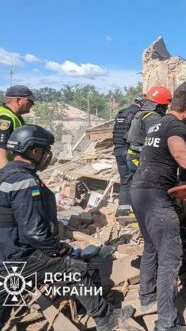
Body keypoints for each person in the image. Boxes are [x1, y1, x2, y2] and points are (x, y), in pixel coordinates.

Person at [0, 125, 134, 330]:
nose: (47, 156)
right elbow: (34, 232)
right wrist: (59, 249)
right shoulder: (25, 181)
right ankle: (106, 319)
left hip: (5, 252)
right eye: (45, 151)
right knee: (74, 268)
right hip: (20, 255)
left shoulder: (5, 174)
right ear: (34, 151)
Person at [130, 91, 186, 331]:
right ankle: (167, 322)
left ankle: (147, 295)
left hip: (138, 191)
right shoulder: (175, 125)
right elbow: (180, 154)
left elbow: (161, 160)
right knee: (170, 257)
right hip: (155, 194)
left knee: (151, 245)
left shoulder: (156, 124)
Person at [126, 86, 172, 177]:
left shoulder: (141, 113)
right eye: (165, 105)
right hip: (139, 158)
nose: (166, 108)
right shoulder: (153, 117)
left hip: (133, 156)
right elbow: (155, 141)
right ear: (159, 105)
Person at [112, 96, 144, 217]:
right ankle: (137, 209)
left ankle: (123, 209)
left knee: (125, 180)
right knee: (137, 179)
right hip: (129, 151)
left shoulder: (121, 113)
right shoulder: (137, 114)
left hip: (118, 150)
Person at [0, 85, 36, 168]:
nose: (32, 104)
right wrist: (11, 177)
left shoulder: (15, 117)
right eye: (29, 100)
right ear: (18, 100)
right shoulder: (5, 119)